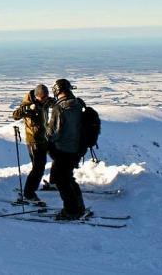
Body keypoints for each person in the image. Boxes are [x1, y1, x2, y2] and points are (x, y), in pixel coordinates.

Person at [46, 79, 89, 220]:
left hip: (63, 149)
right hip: (77, 149)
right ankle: (79, 206)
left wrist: (46, 133)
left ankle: (71, 211)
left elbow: (53, 133)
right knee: (68, 178)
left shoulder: (60, 108)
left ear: (57, 91)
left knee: (61, 180)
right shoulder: (78, 104)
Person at [12, 84, 54, 203]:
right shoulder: (28, 104)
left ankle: (54, 182)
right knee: (38, 167)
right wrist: (27, 109)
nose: (45, 100)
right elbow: (15, 115)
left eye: (46, 98)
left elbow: (53, 103)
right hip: (34, 140)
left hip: (44, 137)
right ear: (36, 97)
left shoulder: (44, 101)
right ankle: (29, 193)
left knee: (55, 157)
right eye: (43, 98)